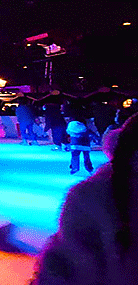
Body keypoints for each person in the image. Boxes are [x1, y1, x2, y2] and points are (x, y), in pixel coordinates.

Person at [31, 114, 138, 283]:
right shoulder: (96, 198)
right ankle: (78, 166)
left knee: (79, 158)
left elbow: (61, 270)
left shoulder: (92, 198)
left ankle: (77, 167)